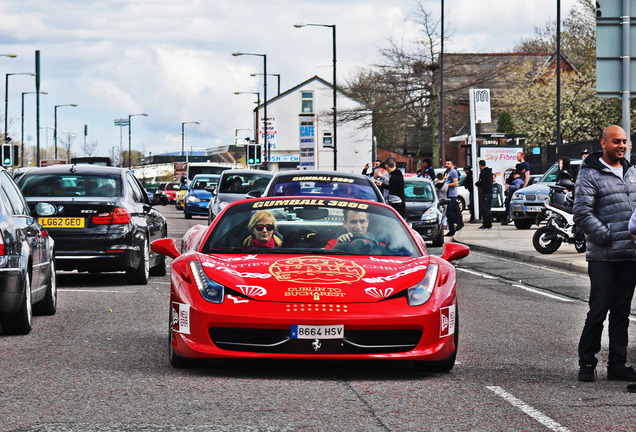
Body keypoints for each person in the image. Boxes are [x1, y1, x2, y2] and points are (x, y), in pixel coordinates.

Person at [573, 125, 636, 383]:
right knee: (598, 310)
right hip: (603, 256)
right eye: (616, 142)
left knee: (622, 313)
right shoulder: (589, 174)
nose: (621, 146)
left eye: (624, 142)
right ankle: (587, 362)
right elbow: (582, 213)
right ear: (603, 144)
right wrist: (607, 236)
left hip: (630, 256)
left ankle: (617, 365)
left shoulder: (632, 172)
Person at [444, 159, 464, 236]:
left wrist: (445, 185)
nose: (446, 165)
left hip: (452, 195)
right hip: (447, 194)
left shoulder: (453, 172)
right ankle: (451, 230)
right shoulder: (448, 172)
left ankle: (459, 223)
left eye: (448, 164)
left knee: (449, 211)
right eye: (446, 164)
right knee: (449, 212)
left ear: (452, 164)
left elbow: (455, 183)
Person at [474, 160, 492, 230]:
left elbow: (483, 183)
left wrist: (477, 183)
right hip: (489, 192)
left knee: (484, 209)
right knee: (488, 209)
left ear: (480, 165)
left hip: (485, 192)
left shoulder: (483, 173)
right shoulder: (489, 172)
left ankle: (486, 224)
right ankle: (488, 223)